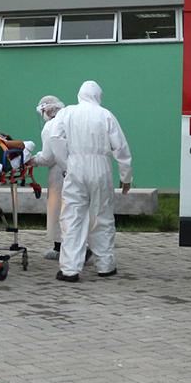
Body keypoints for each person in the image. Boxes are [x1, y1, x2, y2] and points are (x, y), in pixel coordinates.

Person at [48, 81, 132, 282]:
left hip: (75, 166)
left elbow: (55, 139)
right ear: (97, 95)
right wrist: (126, 176)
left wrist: (66, 163)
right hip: (101, 167)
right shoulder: (105, 114)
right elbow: (120, 147)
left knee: (72, 217)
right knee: (102, 215)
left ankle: (69, 269)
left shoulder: (66, 113)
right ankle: (105, 265)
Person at [29, 96, 67, 260]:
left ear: (46, 110)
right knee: (78, 210)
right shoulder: (69, 120)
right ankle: (83, 246)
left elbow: (48, 157)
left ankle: (60, 248)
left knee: (57, 209)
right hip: (77, 170)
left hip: (59, 172)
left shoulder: (50, 126)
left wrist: (32, 160)